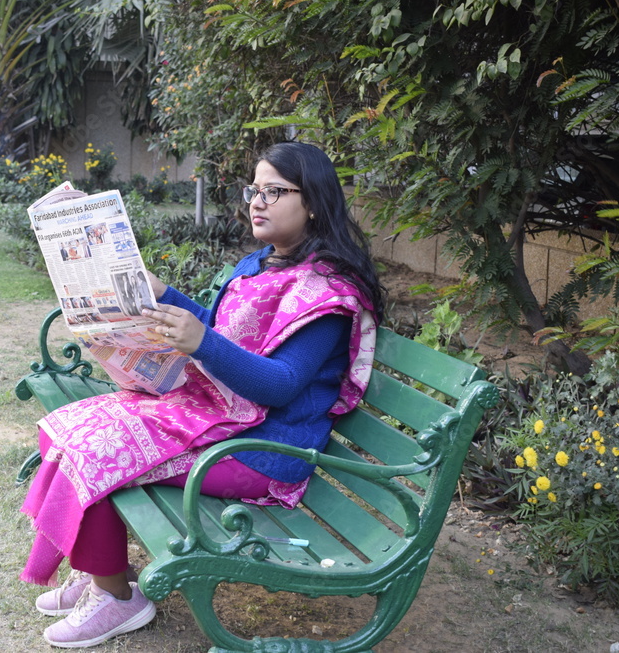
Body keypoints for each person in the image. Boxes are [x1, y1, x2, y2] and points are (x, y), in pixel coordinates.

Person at [19, 142, 386, 649]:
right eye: (254, 189)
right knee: (72, 425)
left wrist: (202, 342)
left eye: (274, 191)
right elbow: (225, 334)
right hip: (221, 418)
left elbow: (280, 385)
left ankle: (118, 600)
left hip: (264, 450)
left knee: (98, 449)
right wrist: (163, 295)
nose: (257, 201)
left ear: (315, 202)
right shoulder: (262, 265)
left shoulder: (328, 294)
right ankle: (103, 569)